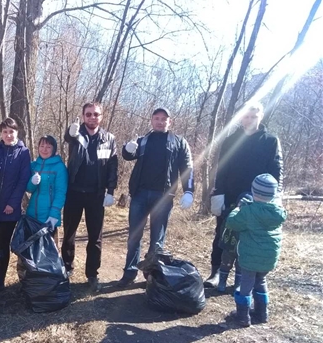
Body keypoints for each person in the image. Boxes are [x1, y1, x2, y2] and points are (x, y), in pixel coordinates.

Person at [205, 102, 283, 288]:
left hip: (259, 199)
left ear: (260, 116)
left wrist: (276, 195)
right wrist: (218, 194)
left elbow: (276, 170)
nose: (249, 120)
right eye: (246, 116)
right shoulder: (231, 140)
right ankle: (216, 272)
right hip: (230, 195)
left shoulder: (270, 141)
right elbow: (221, 168)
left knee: (250, 238)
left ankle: (242, 278)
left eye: (253, 116)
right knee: (222, 235)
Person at [117, 108, 194, 288]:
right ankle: (129, 273)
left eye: (163, 119)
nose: (160, 122)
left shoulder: (179, 142)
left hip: (163, 196)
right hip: (140, 194)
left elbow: (187, 168)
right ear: (151, 120)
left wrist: (189, 191)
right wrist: (127, 149)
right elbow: (128, 155)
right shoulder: (142, 140)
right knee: (134, 236)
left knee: (157, 240)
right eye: (156, 118)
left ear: (170, 122)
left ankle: (151, 275)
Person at [62, 102, 118, 292]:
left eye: (96, 114)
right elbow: (67, 137)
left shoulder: (109, 139)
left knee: (96, 237)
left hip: (96, 195)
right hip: (74, 192)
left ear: (101, 117)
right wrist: (71, 132)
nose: (92, 117)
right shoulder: (76, 135)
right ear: (83, 116)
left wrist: (111, 191)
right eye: (88, 114)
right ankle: (67, 268)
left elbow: (112, 166)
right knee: (69, 234)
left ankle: (92, 274)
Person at [226, 174, 286, 327]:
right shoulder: (277, 212)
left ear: (253, 191)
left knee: (246, 284)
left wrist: (238, 208)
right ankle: (262, 313)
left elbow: (232, 223)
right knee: (261, 280)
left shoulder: (248, 211)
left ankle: (242, 317)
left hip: (250, 257)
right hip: (269, 258)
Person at [0, 118, 31, 290]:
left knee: (3, 245)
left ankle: (0, 280)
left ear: (17, 132)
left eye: (11, 131)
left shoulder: (23, 152)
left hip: (9, 209)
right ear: (1, 133)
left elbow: (23, 180)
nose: (8, 135)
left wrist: (13, 204)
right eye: (4, 131)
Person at [26, 135, 68, 245]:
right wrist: (32, 182)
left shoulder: (59, 167)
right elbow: (29, 189)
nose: (44, 149)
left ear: (54, 149)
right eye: (42, 146)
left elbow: (61, 192)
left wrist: (54, 215)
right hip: (31, 216)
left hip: (48, 217)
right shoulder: (34, 165)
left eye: (48, 147)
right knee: (30, 253)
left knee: (48, 254)